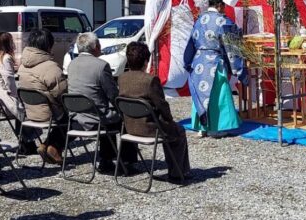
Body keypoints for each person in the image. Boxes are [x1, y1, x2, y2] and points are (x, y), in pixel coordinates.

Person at [119, 42, 191, 180]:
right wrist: (169, 120)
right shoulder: (150, 80)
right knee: (178, 131)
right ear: (146, 61)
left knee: (170, 129)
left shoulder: (122, 78)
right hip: (149, 129)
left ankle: (178, 171)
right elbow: (162, 105)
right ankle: (178, 173)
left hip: (129, 127)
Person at [66, 32, 137, 172]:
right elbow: (112, 94)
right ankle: (126, 161)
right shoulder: (101, 66)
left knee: (106, 112)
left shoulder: (71, 65)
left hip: (76, 117)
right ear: (96, 47)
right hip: (96, 119)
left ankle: (107, 160)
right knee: (124, 117)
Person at [183, 0, 246, 138]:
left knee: (200, 94)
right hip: (214, 63)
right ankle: (216, 128)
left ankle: (201, 127)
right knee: (218, 94)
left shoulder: (199, 19)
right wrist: (238, 69)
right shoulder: (223, 21)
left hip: (198, 63)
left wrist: (188, 62)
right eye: (223, 5)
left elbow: (191, 42)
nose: (224, 8)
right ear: (219, 4)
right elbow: (232, 46)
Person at [16, 28, 67, 164]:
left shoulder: (23, 66)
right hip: (48, 114)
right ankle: (53, 147)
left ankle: (46, 145)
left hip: (30, 113)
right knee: (74, 118)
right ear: (48, 45)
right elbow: (62, 94)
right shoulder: (50, 67)